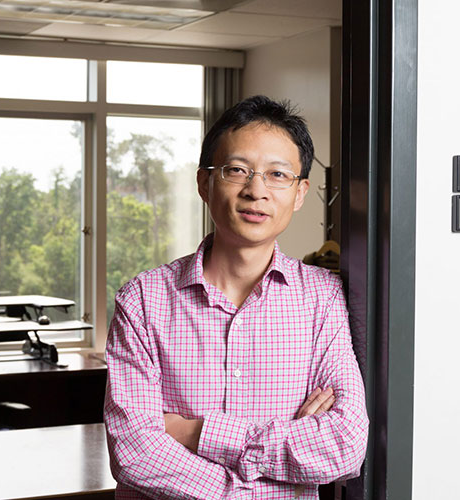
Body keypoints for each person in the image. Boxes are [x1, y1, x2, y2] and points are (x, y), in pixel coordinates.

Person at [103, 95, 369, 499]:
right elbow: (134, 453)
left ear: (300, 193)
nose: (256, 190)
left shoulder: (323, 298)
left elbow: (344, 446)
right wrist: (264, 482)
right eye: (237, 170)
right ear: (204, 183)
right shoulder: (143, 300)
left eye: (278, 174)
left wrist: (195, 432)